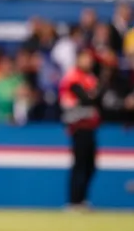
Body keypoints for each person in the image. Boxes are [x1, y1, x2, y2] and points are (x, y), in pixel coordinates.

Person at [58, 49, 102, 210]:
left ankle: (82, 199)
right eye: (85, 59)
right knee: (80, 164)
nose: (88, 62)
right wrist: (93, 97)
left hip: (91, 125)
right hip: (78, 125)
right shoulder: (73, 76)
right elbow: (87, 99)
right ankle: (74, 201)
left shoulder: (90, 77)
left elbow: (96, 99)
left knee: (90, 164)